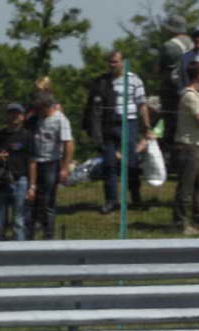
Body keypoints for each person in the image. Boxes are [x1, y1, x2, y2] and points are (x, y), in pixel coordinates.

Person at [83, 50, 152, 214]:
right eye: (110, 62)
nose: (112, 65)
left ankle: (135, 197)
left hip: (129, 123)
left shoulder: (134, 80)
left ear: (123, 62)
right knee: (109, 163)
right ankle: (111, 200)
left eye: (115, 61)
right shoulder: (102, 81)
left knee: (131, 163)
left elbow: (142, 105)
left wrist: (147, 127)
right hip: (108, 124)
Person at [173, 61, 199, 235]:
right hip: (188, 145)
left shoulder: (198, 95)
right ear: (198, 76)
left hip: (198, 144)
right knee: (186, 186)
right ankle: (181, 223)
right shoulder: (189, 96)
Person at [27, 92, 73, 240]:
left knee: (47, 200)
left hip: (51, 163)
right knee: (34, 198)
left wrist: (65, 167)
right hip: (35, 162)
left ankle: (48, 234)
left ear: (47, 107)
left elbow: (68, 143)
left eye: (40, 109)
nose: (38, 112)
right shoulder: (37, 119)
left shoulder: (60, 120)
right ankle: (31, 231)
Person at [0, 103, 35, 241]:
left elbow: (32, 162)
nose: (14, 116)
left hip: (20, 181)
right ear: (6, 115)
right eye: (11, 113)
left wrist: (32, 186)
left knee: (18, 221)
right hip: (0, 182)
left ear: (22, 116)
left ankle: (20, 251)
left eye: (17, 113)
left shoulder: (27, 135)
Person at [158, 15, 193, 166]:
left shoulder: (168, 46)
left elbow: (158, 68)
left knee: (171, 125)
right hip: (191, 88)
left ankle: (172, 160)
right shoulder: (192, 43)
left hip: (171, 90)